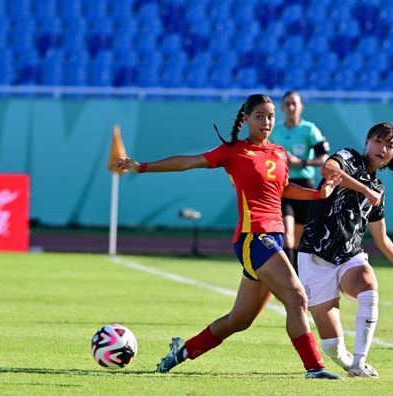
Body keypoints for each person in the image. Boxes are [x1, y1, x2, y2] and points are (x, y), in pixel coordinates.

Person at [114, 94, 341, 379]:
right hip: (253, 238)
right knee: (296, 296)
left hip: (274, 238)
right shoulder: (233, 151)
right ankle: (315, 368)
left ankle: (181, 351)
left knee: (240, 320)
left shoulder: (279, 153)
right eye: (259, 116)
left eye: (270, 116)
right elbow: (188, 162)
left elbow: (283, 189)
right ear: (246, 118)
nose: (266, 121)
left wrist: (318, 194)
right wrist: (142, 166)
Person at [298, 122, 393, 378]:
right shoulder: (349, 157)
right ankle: (349, 362)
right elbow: (328, 169)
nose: (382, 149)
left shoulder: (380, 190)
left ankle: (360, 362)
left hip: (349, 256)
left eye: (390, 146)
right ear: (367, 141)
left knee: (368, 284)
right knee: (333, 347)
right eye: (378, 141)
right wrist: (363, 188)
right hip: (315, 255)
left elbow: (381, 238)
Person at [271, 91, 330, 271]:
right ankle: (288, 280)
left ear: (301, 106)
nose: (291, 107)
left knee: (300, 238)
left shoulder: (309, 129)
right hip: (284, 187)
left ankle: (300, 279)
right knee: (287, 235)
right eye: (287, 104)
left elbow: (324, 158)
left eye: (294, 103)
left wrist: (300, 162)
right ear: (282, 107)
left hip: (305, 186)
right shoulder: (275, 131)